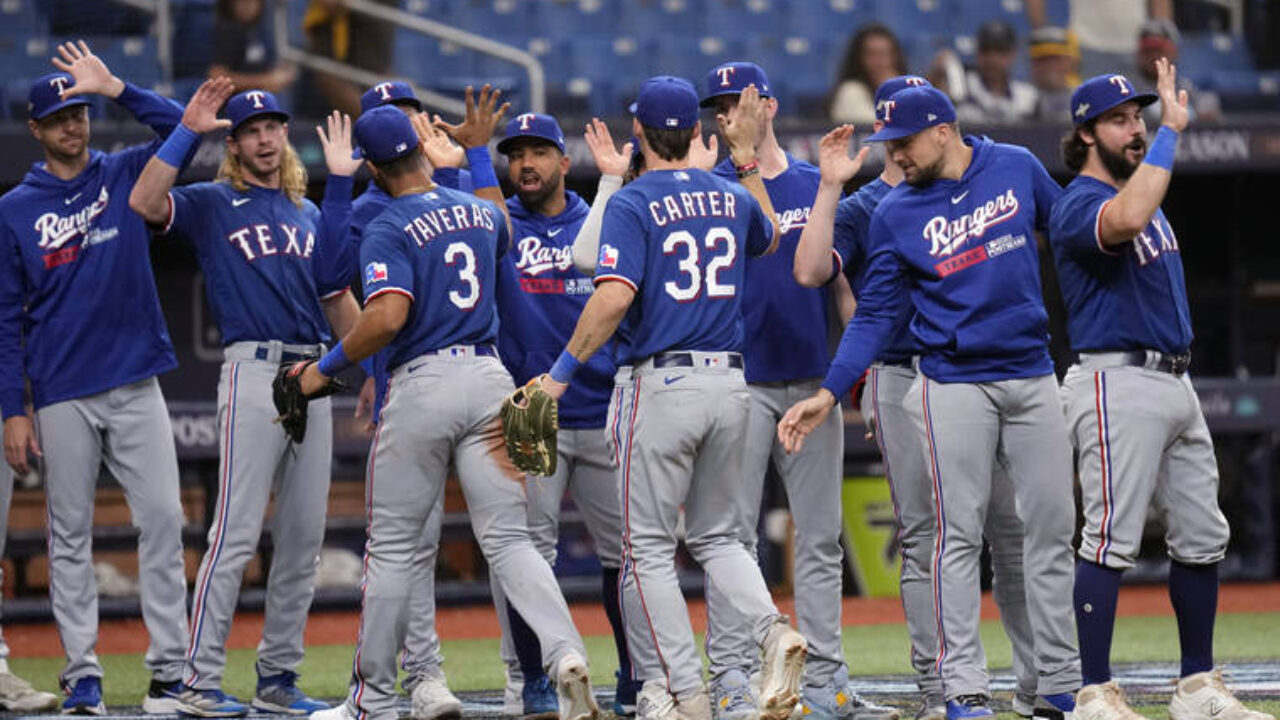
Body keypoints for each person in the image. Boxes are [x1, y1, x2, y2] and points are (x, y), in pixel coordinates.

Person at [777, 85, 1081, 720]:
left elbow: (1076, 232)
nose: (896, 155)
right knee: (949, 538)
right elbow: (874, 311)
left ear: (943, 130)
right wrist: (832, 392)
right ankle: (959, 687)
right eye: (889, 143)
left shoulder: (1016, 165)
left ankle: (1055, 681)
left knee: (1045, 531)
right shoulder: (890, 209)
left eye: (903, 142)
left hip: (1031, 375)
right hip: (945, 379)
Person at [293, 91, 599, 720]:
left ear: (374, 169)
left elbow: (386, 317)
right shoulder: (476, 210)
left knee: (396, 550)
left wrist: (322, 370)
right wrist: (475, 157)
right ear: (420, 154)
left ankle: (371, 699)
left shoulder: (384, 223)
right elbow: (505, 228)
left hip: (425, 383)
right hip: (491, 379)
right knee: (511, 541)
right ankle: (566, 652)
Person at [533, 74, 805, 720]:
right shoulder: (727, 194)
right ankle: (772, 628)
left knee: (648, 549)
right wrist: (741, 163)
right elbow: (768, 232)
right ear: (693, 133)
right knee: (718, 537)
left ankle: (685, 693)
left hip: (661, 381)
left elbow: (614, 294)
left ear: (639, 134)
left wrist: (560, 373)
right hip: (731, 381)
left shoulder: (633, 201)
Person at [128, 84, 361, 717]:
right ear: (233, 144)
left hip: (312, 373)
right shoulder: (212, 201)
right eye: (252, 128)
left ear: (286, 135)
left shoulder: (309, 214)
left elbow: (340, 304)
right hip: (254, 371)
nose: (265, 137)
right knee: (233, 534)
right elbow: (145, 200)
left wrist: (378, 378)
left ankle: (278, 677)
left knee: (303, 537)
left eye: (273, 126)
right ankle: (198, 683)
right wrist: (187, 131)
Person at [1049, 64, 1271, 720]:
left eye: (1140, 117)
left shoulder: (1146, 186)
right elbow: (1128, 216)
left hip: (1173, 379)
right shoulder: (1078, 204)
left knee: (1203, 535)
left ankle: (1196, 686)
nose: (1136, 128)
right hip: (1116, 378)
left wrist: (1161, 138)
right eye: (1120, 119)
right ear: (1086, 132)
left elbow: (1144, 202)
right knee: (1110, 537)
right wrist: (1174, 132)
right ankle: (1093, 690)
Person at [0, 41, 193, 716]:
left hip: (136, 376)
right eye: (59, 119)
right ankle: (81, 671)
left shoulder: (123, 170)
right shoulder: (14, 209)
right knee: (70, 535)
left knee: (165, 521)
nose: (73, 126)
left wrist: (117, 88)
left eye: (78, 114)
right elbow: (4, 318)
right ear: (36, 130)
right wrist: (11, 409)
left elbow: (185, 129)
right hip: (60, 388)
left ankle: (171, 670)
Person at [696, 60, 891, 720]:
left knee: (821, 539)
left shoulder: (816, 181)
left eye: (740, 101)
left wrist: (856, 378)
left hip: (810, 382)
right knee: (731, 539)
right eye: (719, 106)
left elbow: (843, 290)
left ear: (769, 106)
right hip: (737, 386)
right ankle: (730, 678)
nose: (728, 115)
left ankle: (826, 684)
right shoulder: (710, 187)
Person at [491, 111, 643, 718]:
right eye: (516, 154)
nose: (526, 164)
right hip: (530, 410)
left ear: (563, 159)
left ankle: (634, 674)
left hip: (603, 405)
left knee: (626, 554)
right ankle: (529, 677)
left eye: (539, 152)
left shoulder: (599, 217)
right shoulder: (498, 224)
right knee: (525, 551)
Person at [348, 79, 468, 720]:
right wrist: (366, 368)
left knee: (508, 540)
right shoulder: (375, 208)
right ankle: (423, 676)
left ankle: (532, 673)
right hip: (413, 381)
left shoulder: (443, 190)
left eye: (411, 111)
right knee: (408, 545)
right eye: (394, 118)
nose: (411, 124)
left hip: (465, 381)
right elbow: (341, 286)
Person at [1026, 0, 1172, 77]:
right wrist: (1041, 30)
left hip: (1137, 47)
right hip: (1087, 45)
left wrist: (1161, 34)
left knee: (1138, 120)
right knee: (1090, 119)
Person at [1131, 20, 1221, 124]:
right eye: (1147, 51)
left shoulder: (1185, 87)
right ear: (1138, 54)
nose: (1153, 56)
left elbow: (1207, 110)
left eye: (1158, 50)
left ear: (1173, 52)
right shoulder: (1129, 90)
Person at [955, 21, 1038, 125]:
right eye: (986, 50)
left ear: (1013, 54)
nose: (992, 58)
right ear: (977, 53)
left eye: (1000, 50)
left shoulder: (1027, 96)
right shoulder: (960, 90)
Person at [827, 23, 909, 126]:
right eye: (872, 54)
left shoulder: (908, 88)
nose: (881, 62)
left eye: (886, 54)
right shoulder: (850, 91)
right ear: (858, 59)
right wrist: (891, 91)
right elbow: (877, 131)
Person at [209, 0, 295, 94]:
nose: (248, 7)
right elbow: (217, 77)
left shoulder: (257, 31)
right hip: (235, 103)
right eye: (242, 2)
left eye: (252, 2)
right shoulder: (228, 31)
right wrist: (265, 81)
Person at [1028, 27, 1081, 122]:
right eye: (1042, 59)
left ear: (1070, 61)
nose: (1050, 65)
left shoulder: (1084, 100)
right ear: (1033, 64)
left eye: (1056, 59)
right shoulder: (1021, 100)